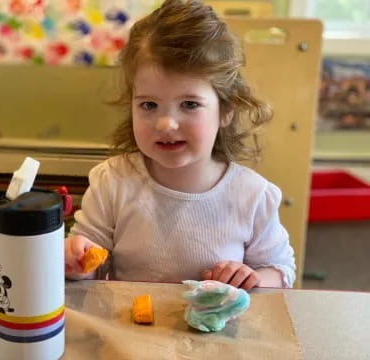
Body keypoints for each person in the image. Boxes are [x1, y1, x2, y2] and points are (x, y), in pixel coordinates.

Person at [65, 0, 295, 289]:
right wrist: (74, 259)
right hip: (131, 328)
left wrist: (254, 278)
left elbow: (281, 270)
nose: (166, 124)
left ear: (225, 111)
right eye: (149, 105)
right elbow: (89, 269)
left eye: (189, 104)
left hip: (217, 333)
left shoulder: (253, 196)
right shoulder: (112, 182)